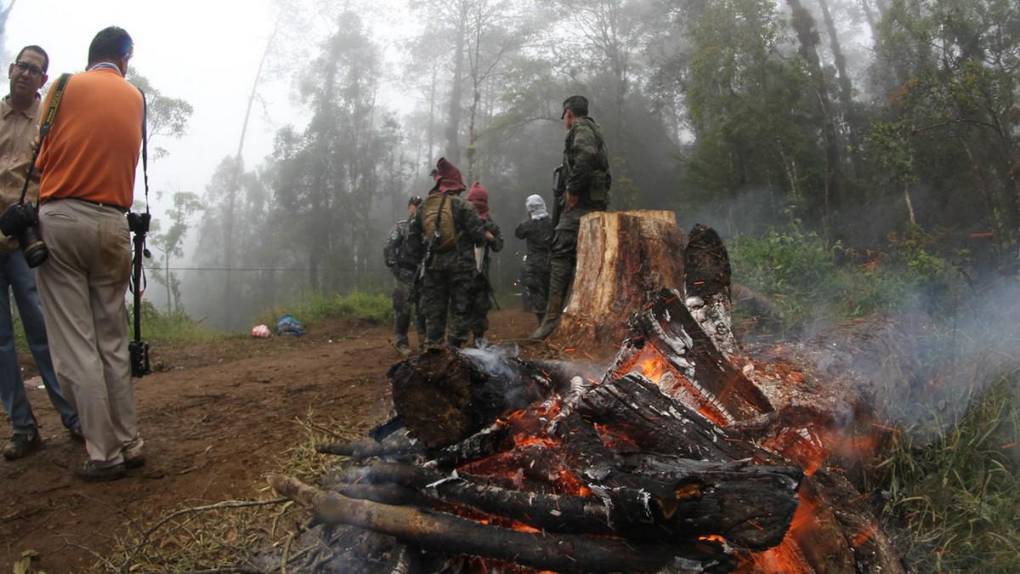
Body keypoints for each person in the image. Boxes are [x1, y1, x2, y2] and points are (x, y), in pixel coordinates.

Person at [35, 27, 145, 481]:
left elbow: (41, 156)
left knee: (76, 345)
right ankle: (130, 442)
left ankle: (104, 454)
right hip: (113, 223)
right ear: (124, 59)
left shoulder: (63, 87)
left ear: (91, 55)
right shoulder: (135, 97)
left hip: (63, 219)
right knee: (111, 340)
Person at [0, 45, 82, 460]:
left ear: (43, 80)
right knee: (0, 343)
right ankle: (22, 427)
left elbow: (60, 172)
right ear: (10, 69)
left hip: (26, 241)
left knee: (42, 331)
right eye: (22, 66)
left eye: (35, 70)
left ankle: (74, 417)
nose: (26, 74)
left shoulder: (49, 122)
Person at [531, 95, 611, 340]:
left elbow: (585, 156)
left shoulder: (581, 129)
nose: (564, 121)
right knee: (584, 257)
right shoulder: (590, 129)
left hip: (582, 205)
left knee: (561, 251)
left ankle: (551, 321)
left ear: (568, 113)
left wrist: (573, 190)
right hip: (591, 204)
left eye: (564, 116)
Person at [407, 158, 492, 349]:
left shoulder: (424, 206)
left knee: (434, 310)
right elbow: (479, 237)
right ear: (457, 185)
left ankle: (434, 347)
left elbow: (412, 241)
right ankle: (454, 348)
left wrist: (423, 257)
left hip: (433, 267)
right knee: (460, 309)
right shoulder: (464, 206)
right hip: (461, 268)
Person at [384, 196, 426, 356]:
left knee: (423, 308)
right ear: (409, 208)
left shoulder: (427, 228)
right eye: (415, 205)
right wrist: (394, 267)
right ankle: (401, 342)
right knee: (402, 308)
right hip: (405, 273)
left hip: (423, 274)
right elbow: (389, 247)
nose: (418, 208)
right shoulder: (402, 227)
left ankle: (424, 342)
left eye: (421, 206)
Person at [465, 182, 503, 346]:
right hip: (463, 272)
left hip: (481, 274)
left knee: (480, 307)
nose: (478, 204)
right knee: (461, 308)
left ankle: (478, 340)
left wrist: (491, 237)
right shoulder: (462, 218)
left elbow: (499, 245)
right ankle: (456, 342)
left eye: (481, 201)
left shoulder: (489, 222)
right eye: (476, 201)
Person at [515, 194, 554, 326]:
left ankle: (542, 324)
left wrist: (529, 217)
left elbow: (518, 233)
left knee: (537, 295)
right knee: (550, 293)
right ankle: (552, 323)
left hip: (534, 265)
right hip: (551, 263)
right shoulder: (552, 222)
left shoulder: (528, 224)